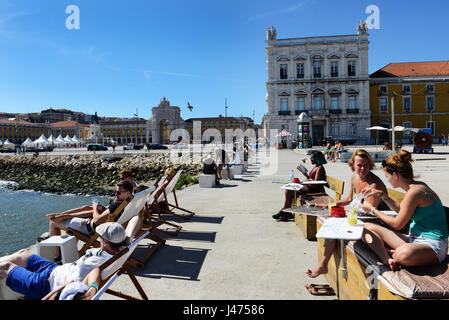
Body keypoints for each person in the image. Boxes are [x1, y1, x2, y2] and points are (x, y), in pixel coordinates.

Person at [360, 150, 449, 271]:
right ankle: (388, 257)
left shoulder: (414, 192)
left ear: (395, 175)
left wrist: (373, 210)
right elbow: (403, 210)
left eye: (387, 176)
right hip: (414, 239)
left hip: (432, 246)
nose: (387, 180)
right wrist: (384, 196)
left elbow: (397, 224)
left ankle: (389, 252)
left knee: (403, 255)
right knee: (365, 227)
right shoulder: (416, 187)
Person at [306, 149, 388, 278]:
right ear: (353, 165)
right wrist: (332, 205)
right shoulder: (355, 176)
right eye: (359, 165)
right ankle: (323, 265)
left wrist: (345, 214)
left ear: (370, 165)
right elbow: (349, 199)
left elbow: (370, 212)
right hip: (357, 217)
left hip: (373, 221)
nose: (362, 168)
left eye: (366, 165)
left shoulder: (374, 185)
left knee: (335, 224)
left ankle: (323, 265)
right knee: (332, 225)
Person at [0, 222, 127, 300]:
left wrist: (60, 288)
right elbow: (134, 221)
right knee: (23, 253)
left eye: (100, 236)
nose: (98, 237)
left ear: (105, 242)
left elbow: (75, 283)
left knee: (5, 266)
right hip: (55, 270)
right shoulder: (120, 251)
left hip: (45, 285)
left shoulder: (93, 265)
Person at [46, 180, 133, 260]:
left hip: (89, 228)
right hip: (95, 225)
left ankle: (56, 255)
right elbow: (106, 216)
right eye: (115, 192)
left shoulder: (117, 205)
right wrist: (102, 208)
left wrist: (95, 207)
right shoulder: (125, 203)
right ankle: (60, 215)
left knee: (53, 222)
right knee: (85, 208)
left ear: (127, 193)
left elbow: (96, 220)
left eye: (118, 192)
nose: (116, 195)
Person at [273, 151, 328, 222]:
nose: (311, 159)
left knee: (289, 190)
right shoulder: (316, 167)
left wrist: (308, 179)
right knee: (288, 190)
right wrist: (305, 174)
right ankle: (286, 211)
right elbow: (312, 179)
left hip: (314, 189)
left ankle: (285, 211)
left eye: (312, 158)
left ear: (317, 159)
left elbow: (316, 182)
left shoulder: (320, 168)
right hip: (310, 187)